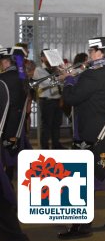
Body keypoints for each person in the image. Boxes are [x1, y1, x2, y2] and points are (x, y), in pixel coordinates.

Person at [59, 35, 105, 239]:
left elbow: (72, 98)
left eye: (92, 50)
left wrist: (68, 80)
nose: (89, 54)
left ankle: (81, 227)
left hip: (93, 132)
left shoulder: (94, 74)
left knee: (84, 178)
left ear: (101, 52)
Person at [0, 46, 31, 182]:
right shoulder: (22, 76)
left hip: (6, 122)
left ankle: (7, 183)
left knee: (6, 154)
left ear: (6, 62)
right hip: (18, 121)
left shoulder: (3, 78)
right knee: (15, 150)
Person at [33, 50, 65, 149]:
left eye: (50, 56)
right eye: (46, 56)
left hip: (57, 99)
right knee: (46, 126)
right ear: (42, 58)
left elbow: (62, 84)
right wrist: (61, 77)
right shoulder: (39, 70)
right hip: (47, 101)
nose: (48, 59)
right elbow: (47, 83)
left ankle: (56, 145)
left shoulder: (56, 69)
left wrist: (62, 71)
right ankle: (45, 147)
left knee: (56, 125)